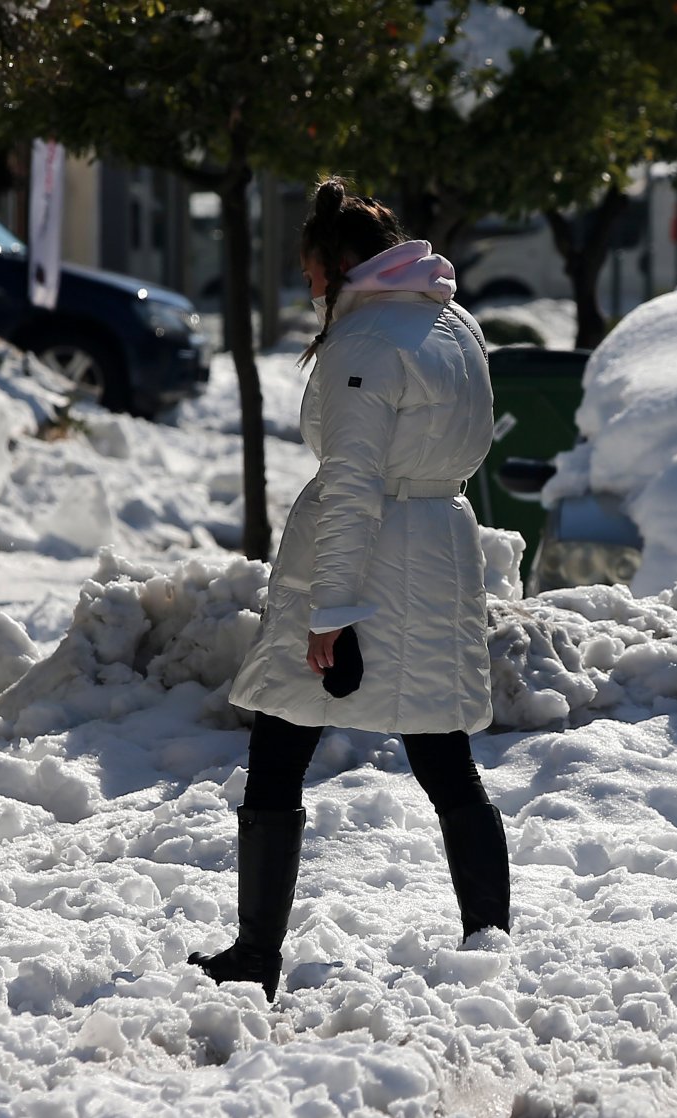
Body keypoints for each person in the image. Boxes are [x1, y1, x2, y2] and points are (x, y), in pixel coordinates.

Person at [188, 178, 508, 1003]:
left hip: (369, 561)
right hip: (440, 550)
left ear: (335, 265)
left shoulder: (362, 345)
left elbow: (354, 483)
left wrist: (331, 610)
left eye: (309, 274)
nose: (308, 290)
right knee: (445, 757)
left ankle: (257, 953)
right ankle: (490, 944)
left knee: (279, 743)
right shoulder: (453, 323)